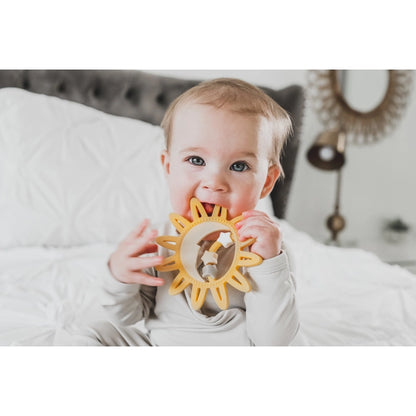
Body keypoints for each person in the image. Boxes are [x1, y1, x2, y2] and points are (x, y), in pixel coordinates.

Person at [89, 78, 300, 346]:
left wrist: (270, 265)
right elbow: (127, 316)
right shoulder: (157, 243)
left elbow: (274, 341)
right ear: (168, 167)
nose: (214, 182)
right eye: (196, 160)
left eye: (238, 166)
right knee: (94, 334)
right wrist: (119, 278)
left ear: (267, 182)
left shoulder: (267, 251)